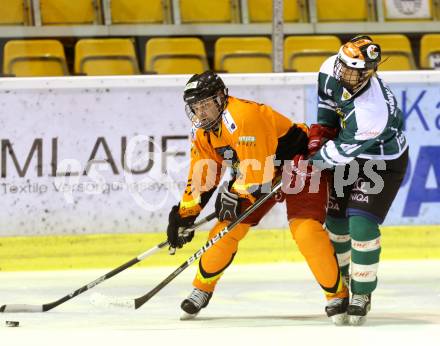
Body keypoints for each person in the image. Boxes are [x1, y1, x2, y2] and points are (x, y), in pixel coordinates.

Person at [165, 70, 348, 324]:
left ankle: (336, 295)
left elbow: (256, 177)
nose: (200, 112)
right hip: (260, 175)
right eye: (195, 107)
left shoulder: (242, 117)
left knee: (305, 231)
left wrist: (231, 194)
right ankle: (201, 288)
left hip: (299, 164)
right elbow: (202, 177)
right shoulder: (203, 132)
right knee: (224, 232)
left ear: (220, 98)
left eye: (205, 105)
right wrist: (185, 215)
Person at [308, 35, 409, 325]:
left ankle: (361, 292)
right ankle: (341, 285)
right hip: (349, 154)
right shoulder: (330, 68)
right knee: (336, 223)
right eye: (343, 66)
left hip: (381, 163)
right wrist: (320, 135)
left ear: (368, 72)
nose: (344, 74)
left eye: (353, 71)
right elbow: (327, 106)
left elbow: (338, 154)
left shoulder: (371, 112)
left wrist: (311, 163)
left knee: (360, 224)